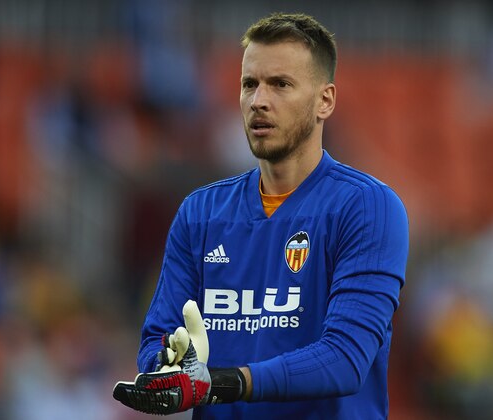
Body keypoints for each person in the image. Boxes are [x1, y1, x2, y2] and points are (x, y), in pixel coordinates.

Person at [114, 12, 409, 419]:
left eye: (280, 84)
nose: (259, 101)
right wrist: (169, 364)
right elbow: (155, 342)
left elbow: (345, 358)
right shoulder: (199, 214)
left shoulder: (368, 207)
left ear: (325, 100)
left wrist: (221, 381)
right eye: (249, 84)